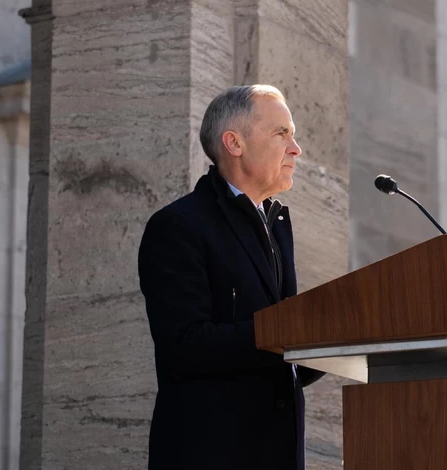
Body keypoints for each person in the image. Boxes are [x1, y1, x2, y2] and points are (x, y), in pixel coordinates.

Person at [138, 85, 325, 470]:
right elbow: (184, 346)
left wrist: (331, 336)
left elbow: (278, 360)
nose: (296, 149)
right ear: (234, 143)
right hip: (212, 454)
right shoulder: (179, 226)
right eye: (281, 134)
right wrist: (288, 329)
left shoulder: (276, 226)